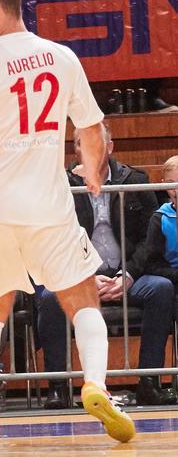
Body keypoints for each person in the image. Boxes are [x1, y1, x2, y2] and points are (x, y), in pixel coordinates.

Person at [0, 0, 135, 442]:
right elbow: (90, 129)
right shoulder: (62, 57)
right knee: (81, 298)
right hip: (47, 206)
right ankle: (95, 385)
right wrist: (92, 171)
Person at [36, 126, 175, 409]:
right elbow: (56, 239)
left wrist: (128, 275)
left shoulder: (135, 179)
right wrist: (86, 277)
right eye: (80, 143)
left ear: (110, 147)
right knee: (51, 298)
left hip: (128, 275)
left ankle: (150, 381)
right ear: (74, 150)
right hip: (79, 276)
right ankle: (58, 387)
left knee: (161, 288)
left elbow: (146, 243)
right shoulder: (59, 185)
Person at [145, 156, 178, 323]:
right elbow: (152, 264)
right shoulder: (160, 218)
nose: (176, 190)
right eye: (172, 184)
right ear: (164, 184)